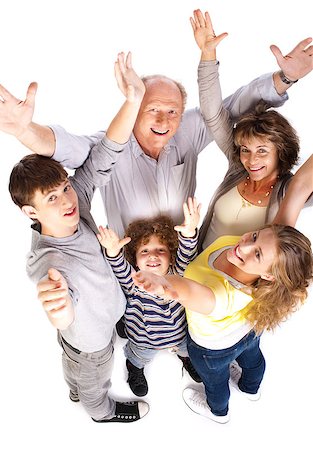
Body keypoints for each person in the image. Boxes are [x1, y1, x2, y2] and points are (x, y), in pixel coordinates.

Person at [3, 14, 312, 238]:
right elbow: (62, 146)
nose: (164, 121)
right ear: (134, 109)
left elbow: (230, 108)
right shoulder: (110, 146)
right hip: (131, 272)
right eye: (152, 109)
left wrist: (285, 78)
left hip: (188, 264)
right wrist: (23, 130)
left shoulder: (186, 132)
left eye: (172, 111)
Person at [8, 52, 150, 423]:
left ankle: (73, 384)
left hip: (105, 317)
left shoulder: (78, 204)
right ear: (31, 212)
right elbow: (56, 296)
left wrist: (133, 100)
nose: (67, 200)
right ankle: (99, 413)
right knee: (93, 382)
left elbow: (106, 153)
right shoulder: (50, 263)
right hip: (92, 344)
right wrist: (61, 311)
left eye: (65, 188)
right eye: (51, 198)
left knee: (72, 365)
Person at [131, 223, 313, 423]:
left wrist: (164, 284)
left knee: (215, 382)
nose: (243, 246)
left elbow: (188, 290)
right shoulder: (262, 258)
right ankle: (250, 389)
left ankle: (218, 412)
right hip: (248, 331)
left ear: (269, 275)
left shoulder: (220, 297)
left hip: (213, 350)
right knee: (253, 360)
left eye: (258, 254)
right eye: (254, 235)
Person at [189, 9, 313, 250]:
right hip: (195, 276)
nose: (250, 159)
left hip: (235, 288)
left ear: (281, 151)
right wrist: (207, 54)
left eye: (263, 151)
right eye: (245, 149)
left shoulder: (287, 193)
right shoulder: (237, 167)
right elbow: (213, 114)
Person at [97, 197, 202, 396]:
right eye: (144, 251)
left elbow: (187, 255)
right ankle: (134, 368)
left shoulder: (177, 274)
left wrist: (189, 234)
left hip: (179, 336)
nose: (153, 255)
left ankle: (186, 360)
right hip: (144, 339)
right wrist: (112, 251)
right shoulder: (135, 280)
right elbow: (118, 266)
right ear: (135, 259)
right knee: (139, 357)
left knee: (187, 349)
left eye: (160, 250)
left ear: (171, 255)